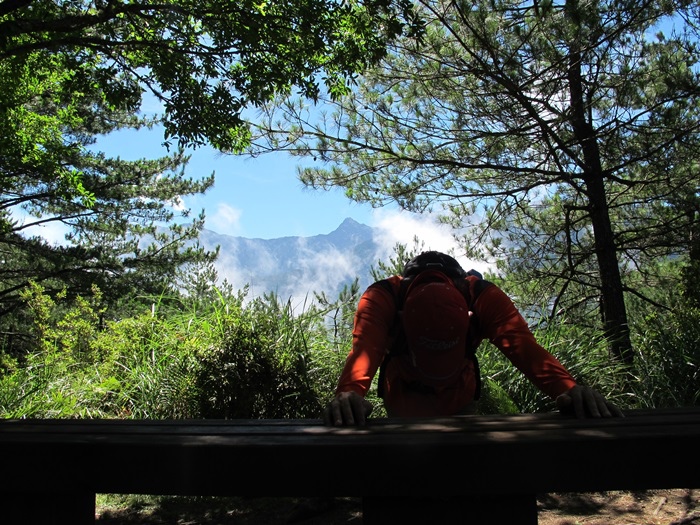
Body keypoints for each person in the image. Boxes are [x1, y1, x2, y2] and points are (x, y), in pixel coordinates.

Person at [323, 251, 623, 426]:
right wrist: (350, 394)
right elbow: (365, 351)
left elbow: (523, 347)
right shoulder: (382, 298)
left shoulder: (482, 297)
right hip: (406, 396)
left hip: (452, 394)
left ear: (468, 319)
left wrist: (570, 389)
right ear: (401, 318)